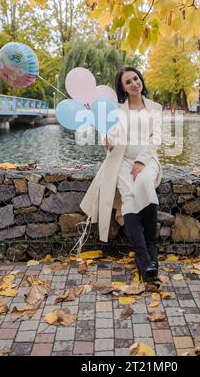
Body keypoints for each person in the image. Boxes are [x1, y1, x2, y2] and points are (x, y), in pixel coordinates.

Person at [80, 66, 163, 282]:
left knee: (144, 184)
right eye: (128, 82)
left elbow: (156, 138)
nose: (135, 83)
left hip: (147, 161)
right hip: (121, 161)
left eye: (136, 78)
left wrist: (141, 161)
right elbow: (112, 135)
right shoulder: (117, 110)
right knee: (128, 198)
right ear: (123, 88)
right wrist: (107, 142)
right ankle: (144, 258)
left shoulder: (155, 108)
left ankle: (151, 248)